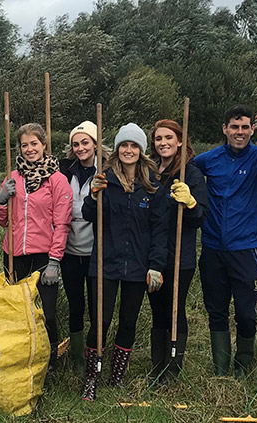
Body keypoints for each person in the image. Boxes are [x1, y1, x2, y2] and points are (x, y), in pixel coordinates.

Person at [192, 105, 257, 378]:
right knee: (216, 310)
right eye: (235, 127)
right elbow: (188, 171)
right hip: (212, 247)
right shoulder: (210, 159)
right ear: (225, 129)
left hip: (245, 247)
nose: (240, 132)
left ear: (252, 130)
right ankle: (221, 369)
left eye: (246, 127)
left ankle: (243, 365)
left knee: (246, 313)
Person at [80, 123, 169, 400]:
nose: (128, 150)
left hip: (138, 265)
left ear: (141, 151)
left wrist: (155, 265)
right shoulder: (105, 180)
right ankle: (91, 378)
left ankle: (117, 376)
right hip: (105, 263)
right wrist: (93, 196)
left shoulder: (152, 186)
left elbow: (160, 230)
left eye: (133, 146)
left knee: (128, 322)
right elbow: (88, 215)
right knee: (100, 321)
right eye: (124, 145)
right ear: (117, 150)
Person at [0, 123, 72, 379]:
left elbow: (62, 224)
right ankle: (18, 358)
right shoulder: (13, 177)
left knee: (46, 312)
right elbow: (2, 221)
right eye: (25, 145)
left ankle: (49, 362)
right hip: (14, 254)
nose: (29, 149)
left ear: (44, 145)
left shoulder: (57, 180)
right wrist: (1, 200)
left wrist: (54, 261)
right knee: (17, 310)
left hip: (43, 256)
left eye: (34, 144)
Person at [147, 119, 208, 385]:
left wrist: (191, 202)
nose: (163, 143)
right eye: (159, 139)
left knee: (175, 309)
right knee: (158, 310)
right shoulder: (148, 171)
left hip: (179, 256)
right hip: (152, 254)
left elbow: (201, 217)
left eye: (169, 138)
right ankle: (157, 364)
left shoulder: (190, 173)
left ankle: (173, 367)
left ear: (180, 141)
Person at [58, 121, 109, 373]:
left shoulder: (107, 171)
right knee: (75, 305)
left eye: (85, 142)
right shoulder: (64, 171)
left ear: (96, 144)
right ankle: (78, 359)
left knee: (97, 306)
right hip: (69, 249)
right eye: (76, 144)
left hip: (96, 250)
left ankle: (95, 354)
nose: (80, 148)